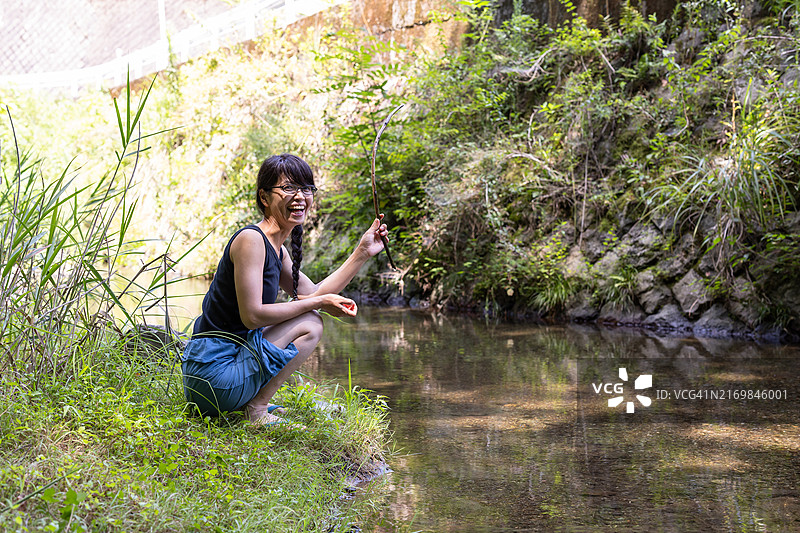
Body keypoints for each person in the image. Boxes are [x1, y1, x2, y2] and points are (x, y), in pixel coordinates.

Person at [182, 153, 388, 425]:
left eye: (306, 188)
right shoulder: (251, 240)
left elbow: (313, 292)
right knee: (311, 322)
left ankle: (251, 403)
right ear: (264, 197)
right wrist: (318, 303)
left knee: (309, 314)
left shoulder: (276, 250)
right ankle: (256, 409)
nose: (300, 196)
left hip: (220, 376)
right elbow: (252, 316)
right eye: (288, 188)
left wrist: (362, 253)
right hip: (213, 379)